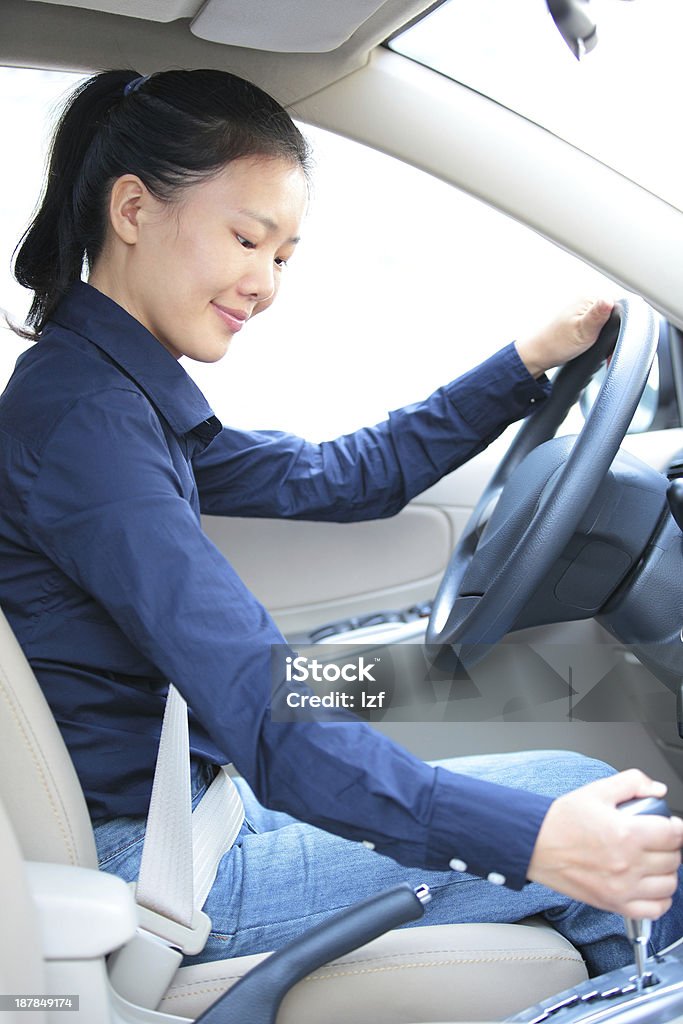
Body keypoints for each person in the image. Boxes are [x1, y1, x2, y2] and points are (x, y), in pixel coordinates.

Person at [1, 67, 681, 979]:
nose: (264, 282)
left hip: (191, 812)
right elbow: (261, 703)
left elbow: (340, 477)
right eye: (247, 238)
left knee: (554, 770)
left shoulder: (106, 398)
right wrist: (530, 842)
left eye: (281, 256)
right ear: (132, 210)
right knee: (617, 820)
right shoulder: (89, 430)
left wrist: (525, 362)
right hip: (163, 867)